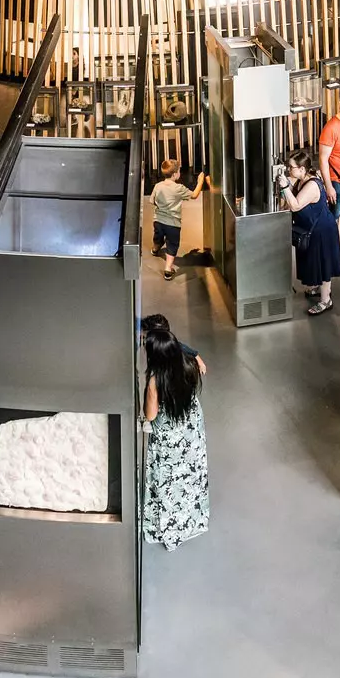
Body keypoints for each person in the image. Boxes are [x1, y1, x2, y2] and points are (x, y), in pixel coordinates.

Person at [140, 316, 208, 551]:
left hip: (168, 437)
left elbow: (150, 416)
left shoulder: (155, 382)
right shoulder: (188, 362)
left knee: (167, 479)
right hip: (190, 429)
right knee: (189, 475)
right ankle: (192, 519)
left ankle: (169, 526)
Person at [281, 149, 340, 315]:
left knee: (323, 264)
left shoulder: (312, 185)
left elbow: (295, 205)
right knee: (314, 262)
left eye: (291, 167)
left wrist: (285, 186)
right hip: (311, 229)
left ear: (302, 169)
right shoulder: (302, 181)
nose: (289, 170)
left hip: (322, 231)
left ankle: (325, 300)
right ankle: (319, 290)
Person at [149, 159, 208, 281]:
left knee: (158, 237)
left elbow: (152, 201)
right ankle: (168, 269)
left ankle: (155, 250)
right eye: (179, 170)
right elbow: (194, 195)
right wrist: (200, 182)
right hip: (173, 223)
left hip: (158, 220)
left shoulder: (157, 186)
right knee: (172, 245)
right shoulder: (179, 188)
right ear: (175, 174)